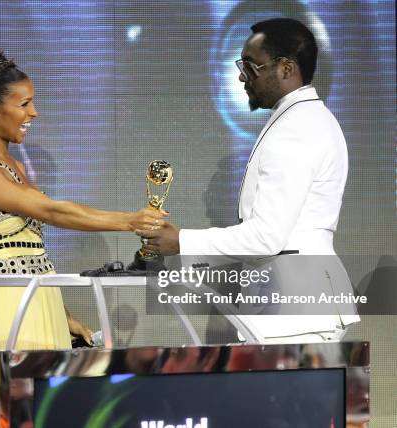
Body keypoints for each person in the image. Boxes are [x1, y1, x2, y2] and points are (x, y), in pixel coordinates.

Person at [0, 52, 166, 425]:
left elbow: (28, 253)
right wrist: (131, 221)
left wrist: (63, 315)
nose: (33, 113)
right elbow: (52, 212)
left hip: (39, 301)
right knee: (14, 413)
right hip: (6, 310)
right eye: (24, 104)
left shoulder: (13, 166)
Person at [137, 18, 359, 343]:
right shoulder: (303, 119)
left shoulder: (297, 129)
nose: (242, 76)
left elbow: (267, 236)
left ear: (286, 68)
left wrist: (183, 241)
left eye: (251, 67)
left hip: (296, 311)